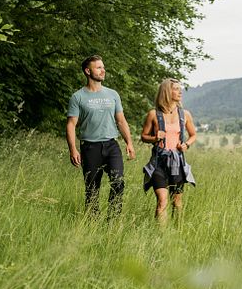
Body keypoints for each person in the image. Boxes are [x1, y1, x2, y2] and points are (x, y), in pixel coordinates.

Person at [66, 55, 135, 218]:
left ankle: (113, 221)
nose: (103, 70)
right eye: (98, 67)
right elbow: (71, 124)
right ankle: (92, 224)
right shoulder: (78, 97)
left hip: (112, 146)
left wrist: (129, 143)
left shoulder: (113, 94)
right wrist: (73, 149)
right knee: (92, 190)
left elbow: (121, 120)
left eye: (103, 67)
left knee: (118, 183)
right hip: (90, 147)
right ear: (87, 71)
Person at [141, 78, 196, 223]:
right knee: (162, 201)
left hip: (177, 161)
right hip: (159, 163)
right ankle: (161, 237)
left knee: (177, 203)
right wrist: (154, 138)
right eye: (176, 89)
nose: (180, 92)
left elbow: (193, 135)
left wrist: (186, 145)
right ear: (166, 91)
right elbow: (144, 136)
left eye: (180, 89)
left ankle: (177, 232)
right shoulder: (153, 114)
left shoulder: (185, 114)